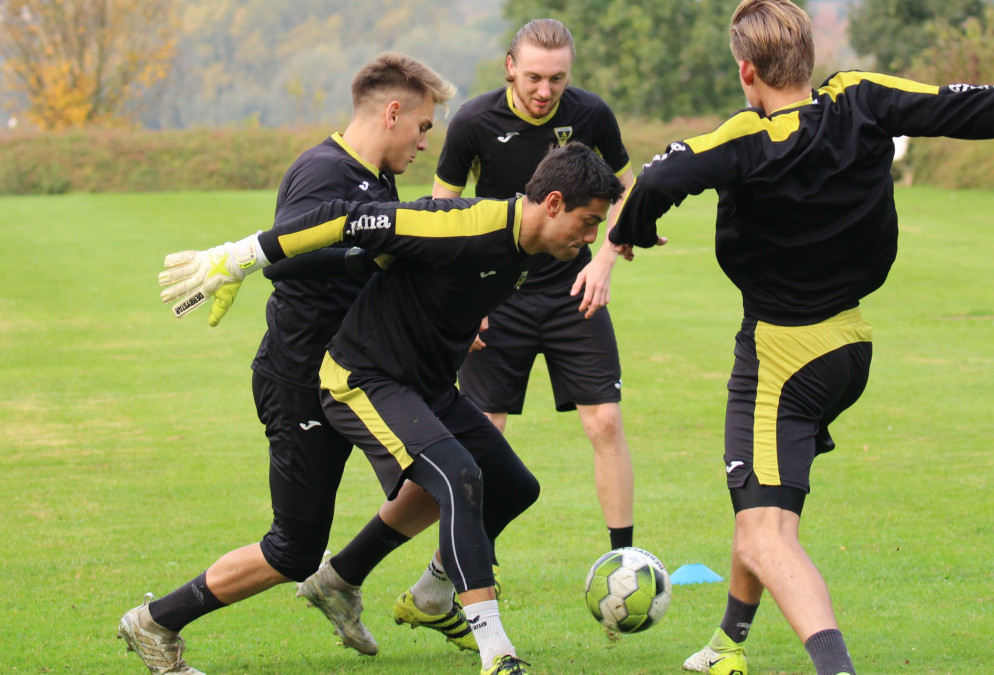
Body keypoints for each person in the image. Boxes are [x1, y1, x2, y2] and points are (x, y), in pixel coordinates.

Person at [606, 1, 994, 674]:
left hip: (785, 357)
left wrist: (629, 233)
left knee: (765, 532)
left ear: (746, 70)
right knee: (759, 504)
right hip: (848, 346)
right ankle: (728, 645)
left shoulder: (747, 136)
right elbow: (979, 106)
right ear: (808, 56)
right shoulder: (860, 100)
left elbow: (659, 177)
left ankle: (836, 668)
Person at [157, 141, 626, 675]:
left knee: (515, 487)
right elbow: (345, 219)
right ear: (555, 203)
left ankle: (393, 589)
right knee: (458, 476)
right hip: (364, 377)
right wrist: (241, 258)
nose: (592, 237)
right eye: (589, 222)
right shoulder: (463, 224)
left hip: (426, 385)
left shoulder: (545, 248)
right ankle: (497, 652)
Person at [308, 17, 641, 652]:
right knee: (466, 461)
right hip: (468, 301)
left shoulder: (591, 120)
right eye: (535, 76)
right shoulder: (473, 128)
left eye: (558, 78)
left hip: (547, 285)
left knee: (528, 471)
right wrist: (242, 256)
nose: (545, 90)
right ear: (511, 66)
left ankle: (406, 584)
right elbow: (431, 216)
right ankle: (493, 642)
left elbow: (626, 191)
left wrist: (602, 258)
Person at [118, 53, 454, 675]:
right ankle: (154, 621)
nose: (424, 142)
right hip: (301, 381)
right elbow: (288, 258)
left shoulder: (377, 180)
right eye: (423, 126)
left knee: (447, 473)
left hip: (358, 380)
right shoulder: (323, 170)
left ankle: (342, 579)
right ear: (393, 112)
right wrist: (374, 253)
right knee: (293, 549)